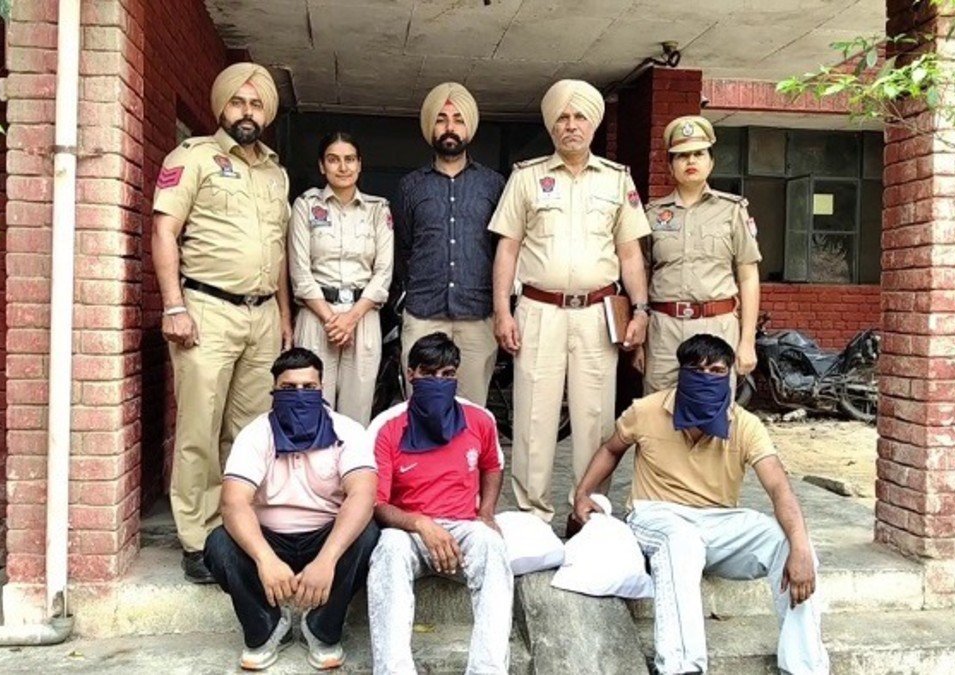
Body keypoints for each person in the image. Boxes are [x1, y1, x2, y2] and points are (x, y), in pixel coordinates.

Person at [571, 334, 829, 675]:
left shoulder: (745, 425)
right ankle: (681, 667)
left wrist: (800, 547)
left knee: (791, 542)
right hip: (655, 515)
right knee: (681, 540)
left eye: (717, 370)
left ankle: (804, 667)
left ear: (731, 377)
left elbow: (779, 488)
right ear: (682, 373)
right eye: (697, 370)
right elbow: (610, 449)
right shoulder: (647, 410)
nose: (707, 377)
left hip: (718, 522)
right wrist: (583, 493)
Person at [152, 62, 293, 583]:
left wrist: (284, 314)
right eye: (238, 102)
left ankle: (239, 525)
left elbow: (278, 250)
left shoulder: (276, 173)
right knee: (199, 429)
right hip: (206, 310)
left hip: (262, 314)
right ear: (222, 107)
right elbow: (164, 231)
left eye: (256, 104)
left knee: (252, 430)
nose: (247, 112)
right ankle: (199, 538)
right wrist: (174, 306)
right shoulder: (192, 157)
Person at [488, 78, 651, 523]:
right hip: (538, 310)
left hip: (597, 314)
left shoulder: (617, 180)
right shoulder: (526, 177)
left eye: (580, 117)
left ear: (593, 125)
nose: (571, 125)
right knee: (533, 417)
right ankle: (532, 516)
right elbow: (508, 249)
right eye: (562, 117)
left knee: (595, 419)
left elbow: (630, 254)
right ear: (551, 125)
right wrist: (502, 310)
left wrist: (640, 309)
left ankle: (588, 512)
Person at [204, 348, 380, 671]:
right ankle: (267, 627)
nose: (299, 395)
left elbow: (363, 495)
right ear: (273, 391)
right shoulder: (255, 434)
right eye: (288, 388)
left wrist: (327, 560)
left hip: (325, 537)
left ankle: (322, 628)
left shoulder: (347, 431)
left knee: (369, 535)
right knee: (219, 544)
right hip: (270, 538)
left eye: (309, 387)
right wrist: (264, 558)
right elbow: (233, 502)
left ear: (322, 389)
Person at [366, 332, 512, 674]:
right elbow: (377, 504)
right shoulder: (387, 426)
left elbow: (493, 466)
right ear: (411, 374)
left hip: (463, 527)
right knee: (388, 549)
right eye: (428, 374)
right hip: (408, 530)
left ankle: (487, 670)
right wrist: (421, 524)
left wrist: (486, 512)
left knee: (493, 546)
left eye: (447, 375)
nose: (438, 382)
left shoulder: (480, 419)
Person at [393, 82, 506, 406]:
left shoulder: (493, 184)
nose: (450, 127)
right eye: (441, 119)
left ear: (469, 127)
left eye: (458, 119)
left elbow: (502, 249)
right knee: (422, 406)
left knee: (471, 408)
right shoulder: (411, 186)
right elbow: (404, 247)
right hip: (423, 312)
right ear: (431, 126)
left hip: (478, 313)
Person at [638, 115, 762, 393]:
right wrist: (639, 341)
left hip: (716, 326)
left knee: (711, 408)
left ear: (711, 162)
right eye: (681, 156)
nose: (690, 161)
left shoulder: (732, 211)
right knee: (658, 409)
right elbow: (642, 275)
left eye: (698, 154)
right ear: (670, 166)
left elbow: (748, 276)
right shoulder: (652, 214)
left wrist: (747, 341)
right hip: (664, 331)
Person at [289, 132, 394, 425]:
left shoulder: (378, 209)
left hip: (363, 316)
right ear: (322, 166)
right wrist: (331, 319)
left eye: (350, 159)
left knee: (356, 416)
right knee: (311, 410)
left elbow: (384, 272)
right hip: (316, 315)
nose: (343, 167)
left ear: (360, 164)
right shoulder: (306, 205)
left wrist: (350, 319)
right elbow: (299, 271)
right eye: (333, 160)